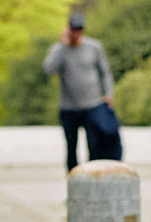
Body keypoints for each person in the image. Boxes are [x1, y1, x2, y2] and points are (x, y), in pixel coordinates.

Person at [42, 13, 116, 172]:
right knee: (71, 148)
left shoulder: (94, 47)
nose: (76, 33)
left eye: (79, 29)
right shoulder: (59, 49)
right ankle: (72, 182)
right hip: (69, 107)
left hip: (92, 105)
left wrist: (109, 94)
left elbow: (105, 72)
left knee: (94, 146)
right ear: (68, 29)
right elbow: (49, 69)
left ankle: (93, 180)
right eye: (74, 29)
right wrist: (63, 45)